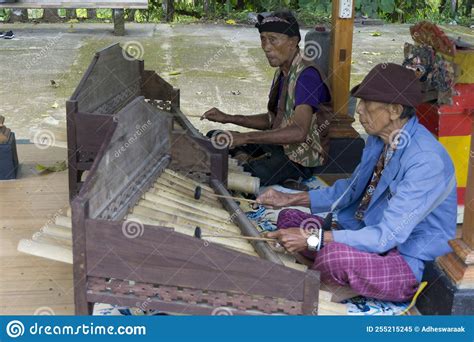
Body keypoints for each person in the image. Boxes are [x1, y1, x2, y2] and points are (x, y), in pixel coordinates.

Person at [257, 63, 457, 302]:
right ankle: (341, 279)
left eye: (366, 104)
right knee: (289, 219)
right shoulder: (377, 139)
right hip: (362, 233)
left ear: (394, 110)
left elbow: (386, 236)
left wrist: (315, 239)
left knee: (332, 257)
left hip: (404, 257)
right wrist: (291, 198)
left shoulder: (426, 161)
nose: (358, 111)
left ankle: (338, 279)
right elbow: (351, 190)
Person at [201, 10, 332, 187]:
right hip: (278, 145)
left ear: (292, 42)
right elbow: (273, 119)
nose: (266, 46)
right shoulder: (283, 71)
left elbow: (299, 132)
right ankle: (246, 159)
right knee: (215, 138)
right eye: (263, 39)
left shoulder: (307, 76)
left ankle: (252, 162)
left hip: (300, 158)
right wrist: (228, 118)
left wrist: (246, 138)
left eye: (272, 39)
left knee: (248, 174)